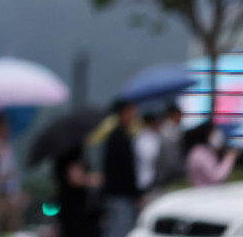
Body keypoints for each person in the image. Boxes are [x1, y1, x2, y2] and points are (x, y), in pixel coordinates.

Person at [101, 100, 139, 237]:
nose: (133, 116)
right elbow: (126, 169)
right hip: (121, 195)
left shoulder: (115, 136)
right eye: (130, 112)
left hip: (115, 194)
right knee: (121, 231)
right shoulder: (120, 138)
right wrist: (136, 193)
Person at [54, 141, 102, 237]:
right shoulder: (70, 154)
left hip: (72, 204)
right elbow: (74, 178)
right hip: (75, 206)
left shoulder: (63, 154)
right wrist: (90, 179)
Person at [0, 113, 23, 234]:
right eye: (4, 126)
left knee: (13, 230)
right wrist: (1, 178)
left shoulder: (8, 147)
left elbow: (14, 174)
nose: (7, 129)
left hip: (9, 197)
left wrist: (16, 194)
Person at [186, 121, 237, 187]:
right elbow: (216, 177)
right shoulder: (199, 154)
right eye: (213, 132)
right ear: (206, 134)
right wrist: (229, 158)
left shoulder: (202, 151)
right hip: (206, 193)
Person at [133, 112, 162, 198]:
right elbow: (151, 157)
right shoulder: (145, 138)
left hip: (147, 180)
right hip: (148, 182)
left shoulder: (140, 137)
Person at [155, 104, 185, 187]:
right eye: (178, 115)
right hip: (168, 177)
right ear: (171, 115)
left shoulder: (175, 129)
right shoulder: (166, 132)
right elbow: (171, 161)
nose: (180, 118)